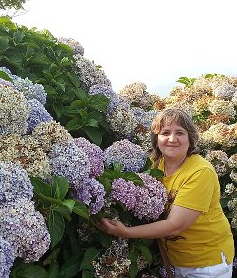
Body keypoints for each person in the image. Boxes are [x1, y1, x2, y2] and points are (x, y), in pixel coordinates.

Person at [99, 108, 234, 278]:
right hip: (175, 261)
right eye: (165, 133)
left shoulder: (200, 172)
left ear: (190, 139)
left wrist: (125, 232)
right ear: (156, 139)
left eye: (180, 133)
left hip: (207, 264)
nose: (172, 139)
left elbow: (175, 225)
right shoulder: (155, 164)